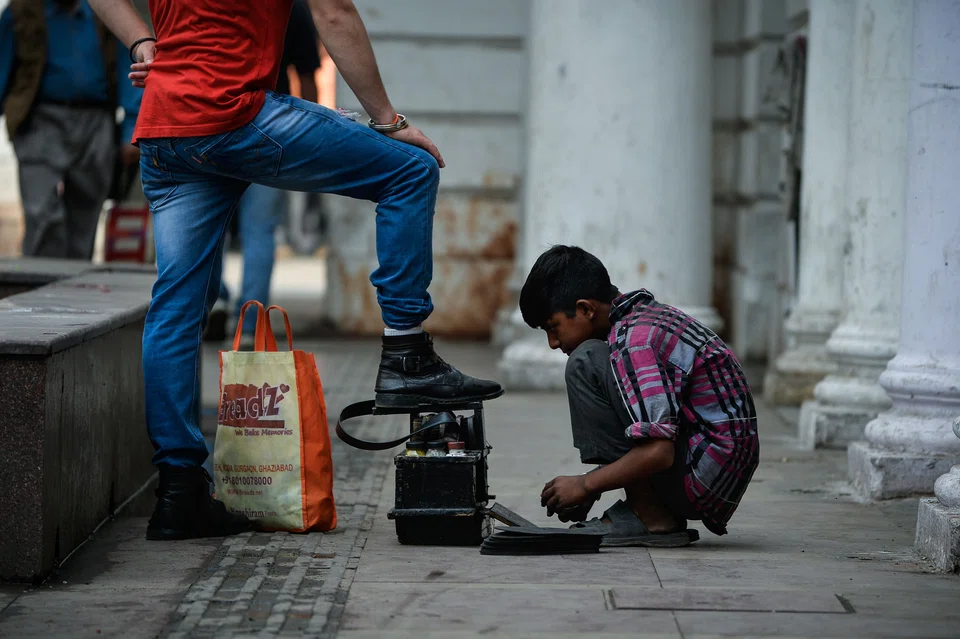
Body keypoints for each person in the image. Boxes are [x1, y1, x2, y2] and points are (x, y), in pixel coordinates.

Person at [86, 0, 503, 541]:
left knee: (176, 310)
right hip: (235, 113)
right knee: (411, 170)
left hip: (167, 127)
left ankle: (179, 490)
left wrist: (142, 42)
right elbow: (334, 14)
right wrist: (388, 120)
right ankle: (407, 354)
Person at [524, 246, 759, 547]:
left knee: (586, 362)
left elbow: (659, 451)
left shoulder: (635, 341)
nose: (552, 343)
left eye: (553, 327)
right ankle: (650, 508)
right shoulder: (641, 319)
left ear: (585, 309)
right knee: (596, 360)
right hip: (713, 470)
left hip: (702, 477)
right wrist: (596, 486)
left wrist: (586, 484)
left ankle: (650, 516)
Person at [205, 0, 322, 345]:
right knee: (260, 231)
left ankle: (215, 301)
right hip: (271, 128)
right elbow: (307, 78)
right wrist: (309, 138)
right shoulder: (292, 6)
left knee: (210, 226)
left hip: (214, 123)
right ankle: (250, 325)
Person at [0, 0, 142, 260]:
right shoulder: (21, 12)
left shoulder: (107, 13)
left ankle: (75, 279)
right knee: (41, 212)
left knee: (86, 213)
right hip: (40, 120)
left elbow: (128, 68)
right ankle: (41, 278)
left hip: (96, 120)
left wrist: (131, 129)